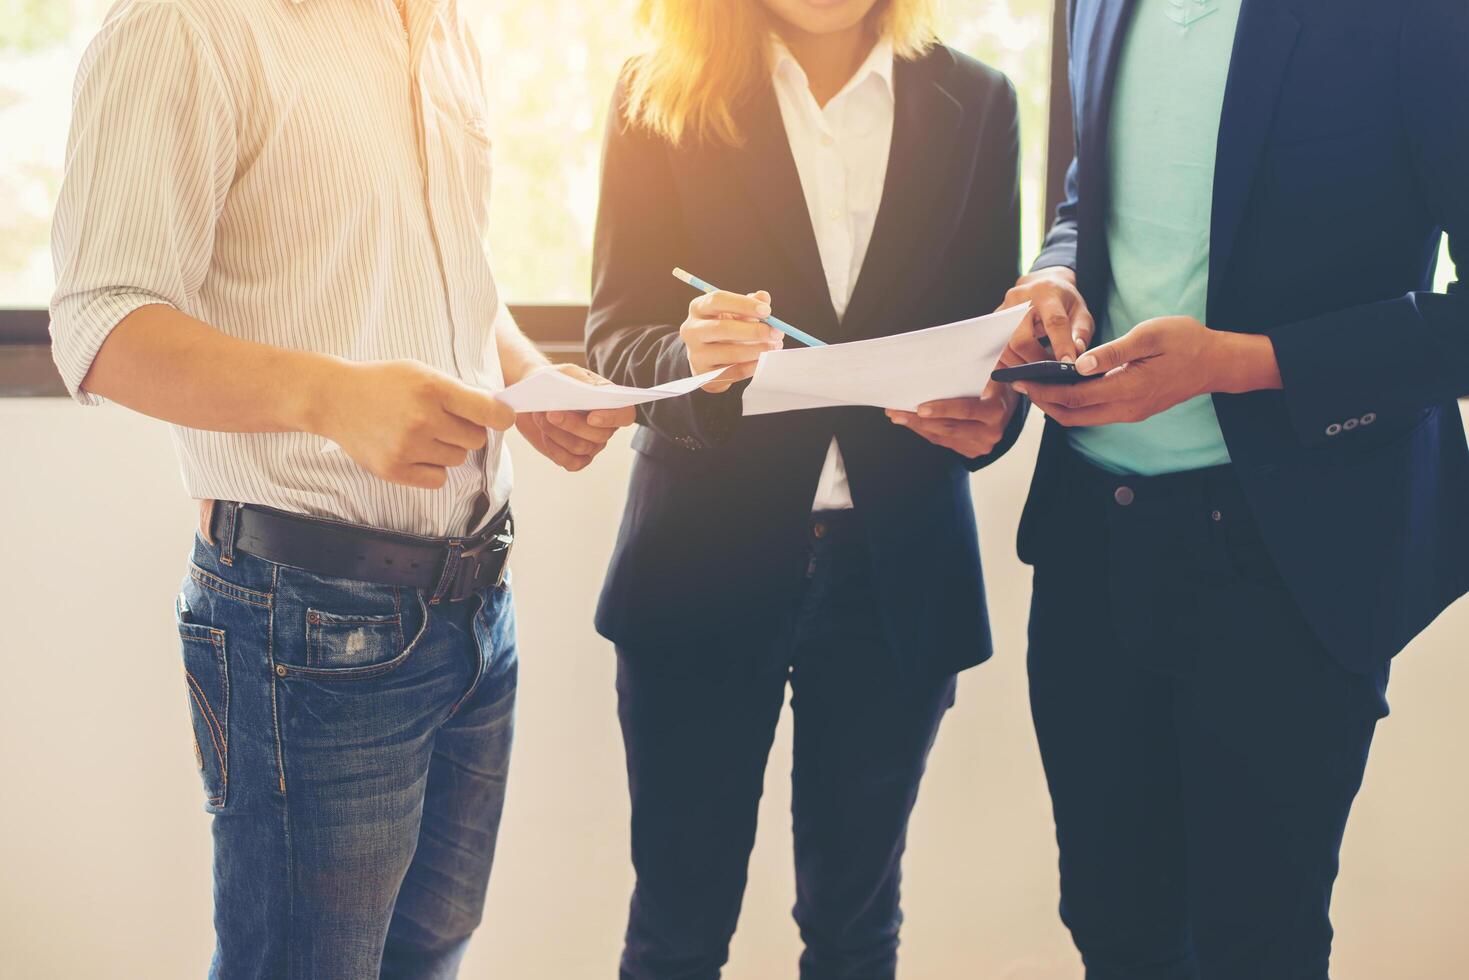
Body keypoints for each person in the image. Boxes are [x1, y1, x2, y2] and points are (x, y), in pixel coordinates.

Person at [48, 1, 634, 975]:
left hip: (476, 610)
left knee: (429, 954)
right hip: (305, 626)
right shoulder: (182, 22)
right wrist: (330, 397)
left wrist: (527, 382)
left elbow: (447, 271)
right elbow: (100, 324)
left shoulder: (441, 21)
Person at [907, 0, 1469, 976]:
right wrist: (1048, 278)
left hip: (1288, 558)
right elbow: (1091, 195)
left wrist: (1235, 362)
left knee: (1256, 946)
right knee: (1110, 930)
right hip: (1090, 541)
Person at [586, 0, 1023, 976]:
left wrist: (993, 419)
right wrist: (690, 355)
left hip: (896, 567)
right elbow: (617, 337)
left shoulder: (978, 99)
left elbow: (994, 348)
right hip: (699, 560)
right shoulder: (657, 87)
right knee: (676, 927)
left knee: (855, 927)